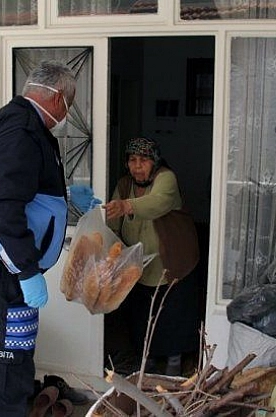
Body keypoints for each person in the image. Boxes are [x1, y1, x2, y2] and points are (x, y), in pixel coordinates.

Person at [0, 60, 75, 416]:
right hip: (0, 275)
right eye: (69, 103)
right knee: (2, 373)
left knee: (14, 362)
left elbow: (20, 189)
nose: (67, 112)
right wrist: (26, 270)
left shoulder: (17, 122)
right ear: (58, 97)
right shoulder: (21, 129)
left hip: (4, 274)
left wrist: (66, 198)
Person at [104, 136, 200, 376]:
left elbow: (158, 202)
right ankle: (148, 359)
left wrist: (126, 206)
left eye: (144, 160)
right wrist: (112, 248)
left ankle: (174, 362)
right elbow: (113, 220)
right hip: (139, 264)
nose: (137, 166)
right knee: (142, 314)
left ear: (154, 161)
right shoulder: (125, 185)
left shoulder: (166, 177)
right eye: (132, 160)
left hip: (171, 261)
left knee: (172, 313)